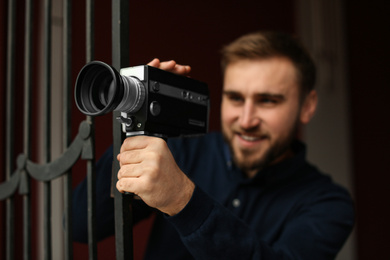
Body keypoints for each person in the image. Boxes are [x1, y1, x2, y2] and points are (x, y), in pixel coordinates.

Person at [73, 31, 354, 259]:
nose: (246, 120)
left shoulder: (328, 203)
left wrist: (182, 199)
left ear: (307, 106)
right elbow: (79, 226)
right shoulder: (178, 150)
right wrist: (133, 131)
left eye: (268, 101)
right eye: (235, 98)